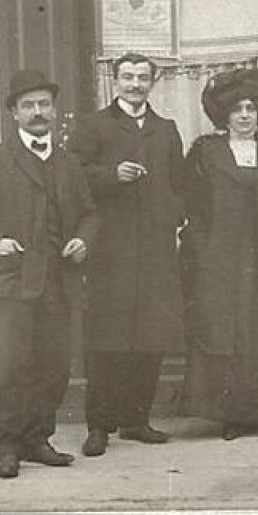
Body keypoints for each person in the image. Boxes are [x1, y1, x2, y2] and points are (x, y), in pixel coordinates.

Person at [0, 69, 95, 480]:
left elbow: (90, 215)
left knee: (53, 366)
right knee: (13, 366)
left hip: (58, 281)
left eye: (43, 104)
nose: (37, 112)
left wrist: (84, 240)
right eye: (27, 105)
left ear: (54, 110)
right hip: (11, 280)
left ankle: (37, 439)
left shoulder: (68, 163)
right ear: (14, 113)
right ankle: (8, 447)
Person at [69, 53, 187, 458]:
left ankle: (137, 421)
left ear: (152, 83)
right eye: (127, 77)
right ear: (114, 81)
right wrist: (109, 175)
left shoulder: (165, 129)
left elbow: (178, 182)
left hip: (155, 248)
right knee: (107, 338)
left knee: (150, 337)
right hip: (111, 249)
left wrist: (174, 217)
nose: (135, 84)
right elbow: (71, 177)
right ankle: (99, 426)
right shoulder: (93, 126)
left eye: (142, 78)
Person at [178, 67, 258, 440]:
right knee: (230, 329)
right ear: (224, 115)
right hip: (221, 255)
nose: (245, 116)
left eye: (250, 108)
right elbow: (191, 204)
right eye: (237, 109)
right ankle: (232, 415)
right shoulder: (204, 151)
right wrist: (202, 249)